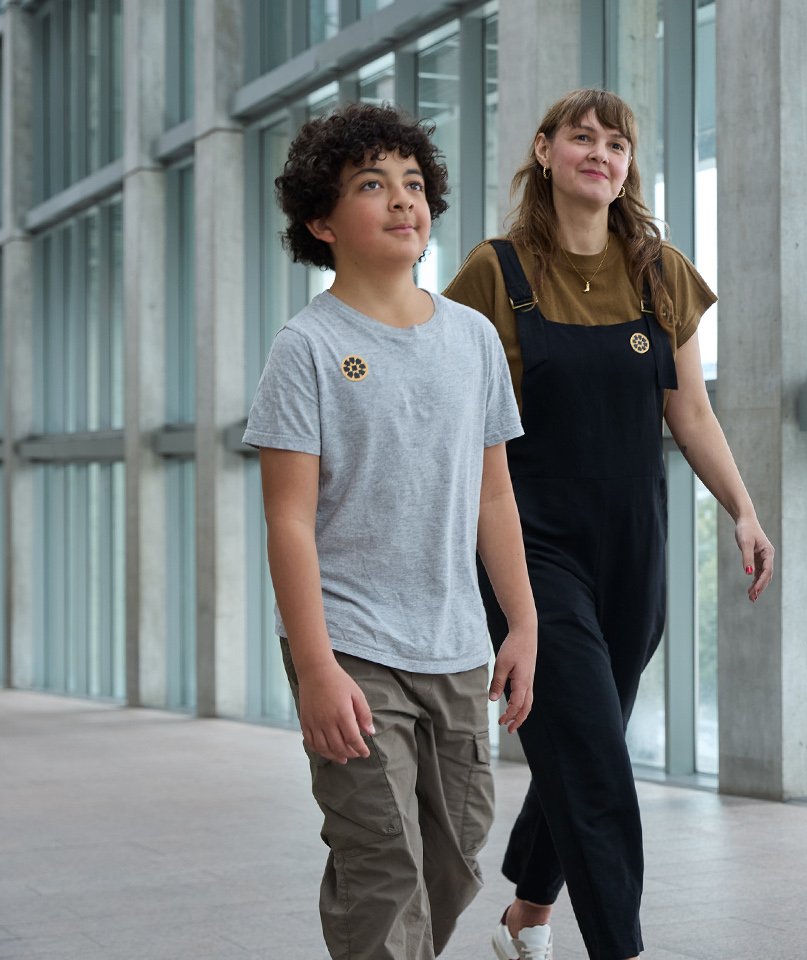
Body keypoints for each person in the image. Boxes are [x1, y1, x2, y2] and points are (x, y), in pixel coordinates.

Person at [442, 88, 775, 960]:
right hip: (531, 540)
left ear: (629, 165)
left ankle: (527, 912)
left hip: (635, 542)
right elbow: (456, 425)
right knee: (593, 755)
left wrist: (742, 508)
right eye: (580, 137)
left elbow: (690, 413)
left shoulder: (659, 272)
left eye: (616, 142)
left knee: (585, 739)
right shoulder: (494, 273)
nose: (600, 152)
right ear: (544, 151)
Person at [249, 102, 538, 960]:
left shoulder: (474, 339)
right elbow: (289, 521)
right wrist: (314, 666)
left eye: (413, 183)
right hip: (353, 644)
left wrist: (520, 621)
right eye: (372, 185)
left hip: (455, 644)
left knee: (454, 857)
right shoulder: (304, 348)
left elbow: (494, 499)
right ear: (321, 222)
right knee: (382, 859)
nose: (403, 200)